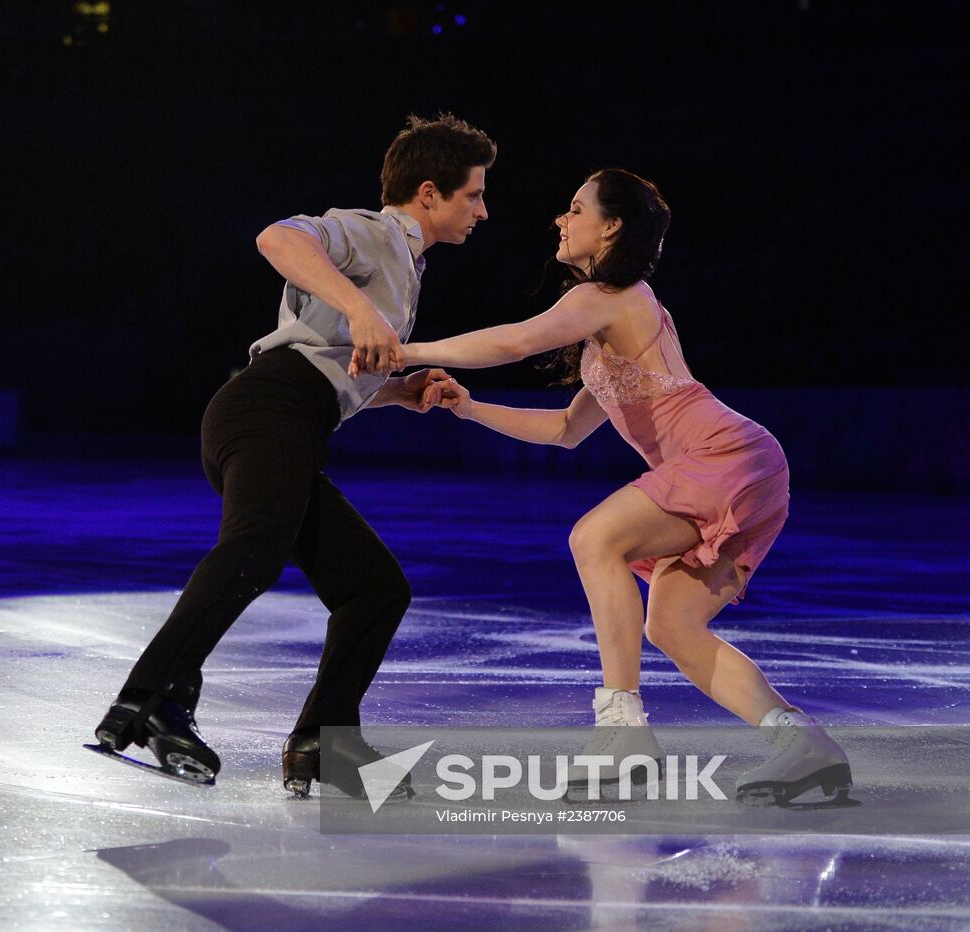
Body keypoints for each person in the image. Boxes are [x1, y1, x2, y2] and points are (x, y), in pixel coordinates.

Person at [362, 169, 850, 804]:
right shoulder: (609, 322)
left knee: (595, 538)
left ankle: (623, 735)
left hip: (723, 456)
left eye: (575, 209)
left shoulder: (611, 294)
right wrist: (468, 408)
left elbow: (514, 340)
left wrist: (401, 351)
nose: (561, 221)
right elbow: (566, 430)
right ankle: (802, 742)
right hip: (745, 466)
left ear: (612, 226)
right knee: (672, 626)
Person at [94, 114, 497, 797]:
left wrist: (399, 392)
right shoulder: (373, 233)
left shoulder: (407, 266)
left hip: (293, 419)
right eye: (474, 195)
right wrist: (358, 308)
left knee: (374, 588)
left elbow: (332, 369)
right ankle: (149, 698)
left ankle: (325, 741)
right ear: (429, 193)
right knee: (255, 547)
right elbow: (278, 237)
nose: (483, 212)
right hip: (266, 408)